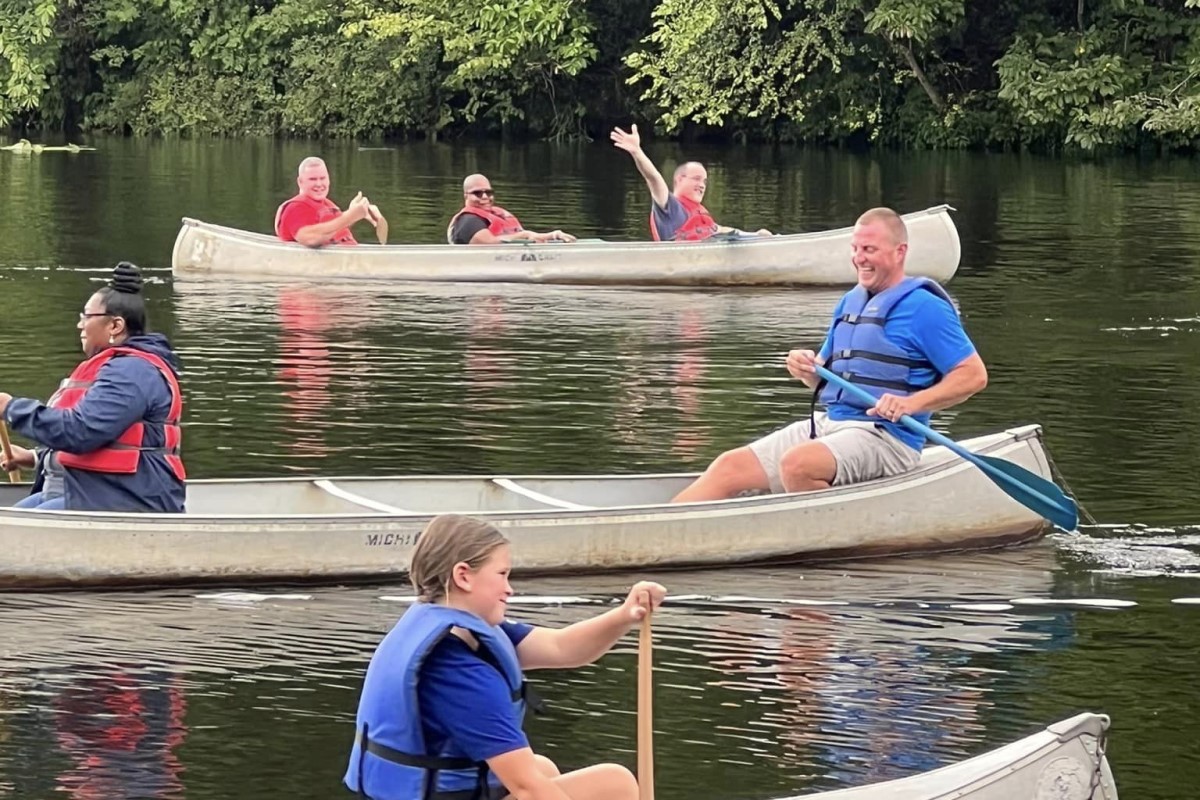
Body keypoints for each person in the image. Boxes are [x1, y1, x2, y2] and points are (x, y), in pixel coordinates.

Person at [671, 207, 988, 503]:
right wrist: (807, 370)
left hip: (889, 438)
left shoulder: (925, 308)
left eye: (869, 249)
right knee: (729, 466)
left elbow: (973, 375)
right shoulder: (851, 301)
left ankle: (825, 534)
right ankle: (664, 528)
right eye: (855, 248)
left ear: (900, 252)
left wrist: (911, 403)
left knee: (798, 465)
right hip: (833, 423)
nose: (859, 258)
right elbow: (826, 380)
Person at [344, 513, 665, 800]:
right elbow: (529, 790)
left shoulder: (448, 624)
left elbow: (561, 647)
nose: (510, 589)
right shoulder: (459, 670)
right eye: (502, 574)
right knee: (615, 784)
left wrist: (625, 615)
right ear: (463, 576)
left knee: (542, 767)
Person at [0, 262, 187, 512]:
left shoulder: (132, 372)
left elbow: (80, 432)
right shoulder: (116, 367)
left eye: (87, 316)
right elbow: (101, 439)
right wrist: (35, 457)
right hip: (85, 492)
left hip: (124, 499)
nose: (80, 325)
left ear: (115, 326)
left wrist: (11, 408)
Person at [609, 124, 772, 241]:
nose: (702, 185)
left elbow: (720, 230)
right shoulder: (669, 206)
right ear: (680, 179)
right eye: (696, 179)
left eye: (704, 181)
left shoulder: (700, 212)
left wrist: (755, 235)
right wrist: (637, 152)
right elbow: (653, 178)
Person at [275, 156, 388, 246]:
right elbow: (310, 238)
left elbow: (333, 231)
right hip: (336, 264)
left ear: (329, 179)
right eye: (312, 179)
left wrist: (355, 213)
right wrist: (350, 216)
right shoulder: (295, 207)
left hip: (349, 260)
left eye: (323, 178)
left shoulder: (327, 204)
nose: (319, 184)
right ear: (300, 182)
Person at [447, 174, 577, 245]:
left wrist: (554, 235)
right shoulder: (468, 221)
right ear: (466, 196)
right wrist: (524, 235)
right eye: (478, 193)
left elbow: (531, 237)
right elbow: (488, 244)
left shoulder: (497, 215)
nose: (485, 197)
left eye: (489, 192)